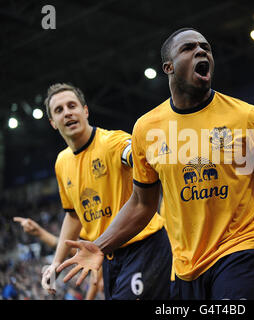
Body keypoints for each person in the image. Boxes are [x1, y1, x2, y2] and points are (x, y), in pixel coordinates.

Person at [56, 28, 254, 299]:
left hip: (241, 251)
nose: (201, 51)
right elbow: (142, 204)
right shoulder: (147, 128)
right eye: (189, 48)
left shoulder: (247, 117)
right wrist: (100, 245)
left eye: (205, 48)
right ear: (168, 67)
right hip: (184, 267)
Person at [41, 83, 172, 299]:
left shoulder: (112, 142)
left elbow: (134, 153)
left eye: (72, 106)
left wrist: (149, 154)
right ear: (53, 123)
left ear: (85, 111)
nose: (67, 113)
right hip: (107, 257)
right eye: (59, 110)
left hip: (144, 247)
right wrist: (56, 261)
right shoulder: (61, 162)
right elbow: (73, 215)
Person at [13, 216, 103, 300]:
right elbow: (67, 248)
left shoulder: (105, 254)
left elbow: (94, 283)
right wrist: (39, 232)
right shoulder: (98, 256)